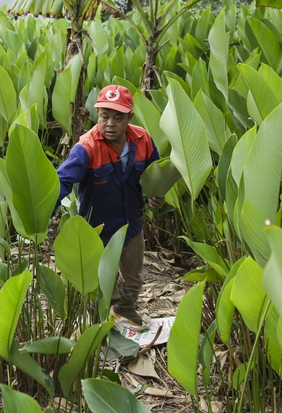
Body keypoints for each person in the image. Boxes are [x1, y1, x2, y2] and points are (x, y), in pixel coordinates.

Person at [56, 85, 164, 331]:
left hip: (132, 223)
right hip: (99, 227)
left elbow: (156, 173)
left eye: (118, 117)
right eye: (105, 116)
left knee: (133, 275)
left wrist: (157, 196)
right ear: (97, 115)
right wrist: (45, 209)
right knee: (101, 280)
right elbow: (62, 181)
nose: (110, 123)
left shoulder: (143, 139)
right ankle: (100, 320)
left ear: (130, 118)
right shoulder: (86, 148)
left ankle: (125, 309)